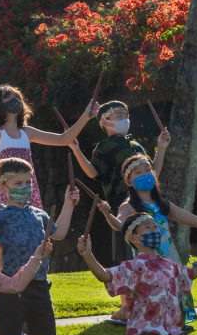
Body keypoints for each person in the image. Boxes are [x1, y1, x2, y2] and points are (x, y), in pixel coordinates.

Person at [0, 83, 95, 269]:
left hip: (27, 191)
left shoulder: (27, 132)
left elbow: (63, 139)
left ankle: (28, 286)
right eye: (8, 97)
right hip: (5, 194)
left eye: (16, 96)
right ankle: (4, 292)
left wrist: (86, 116)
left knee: (32, 244)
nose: (14, 100)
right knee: (4, 250)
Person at [76, 214, 197, 335]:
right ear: (134, 238)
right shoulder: (134, 266)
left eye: (155, 226)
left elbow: (191, 273)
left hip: (171, 331)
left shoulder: (169, 265)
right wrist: (88, 255)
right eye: (148, 227)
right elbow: (106, 276)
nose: (154, 230)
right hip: (143, 331)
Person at [112, 154, 197, 323]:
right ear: (129, 181)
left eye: (147, 170)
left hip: (170, 258)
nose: (145, 174)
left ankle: (141, 314)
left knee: (173, 299)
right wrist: (107, 214)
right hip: (146, 262)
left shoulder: (163, 206)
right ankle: (127, 313)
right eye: (137, 172)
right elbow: (118, 224)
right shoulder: (128, 207)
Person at [71, 99, 170, 318]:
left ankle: (151, 299)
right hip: (120, 204)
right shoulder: (103, 147)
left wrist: (161, 147)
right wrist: (76, 149)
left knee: (151, 254)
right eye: (117, 114)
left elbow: (153, 172)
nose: (124, 118)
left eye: (125, 113)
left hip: (146, 203)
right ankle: (127, 306)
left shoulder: (136, 145)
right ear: (104, 121)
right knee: (127, 254)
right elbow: (92, 172)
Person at [0, 157, 78, 335]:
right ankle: (5, 322)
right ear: (4, 187)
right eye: (18, 183)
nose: (25, 187)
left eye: (28, 182)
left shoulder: (39, 214)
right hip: (11, 286)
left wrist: (68, 204)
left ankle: (22, 323)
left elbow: (60, 233)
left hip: (40, 284)